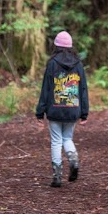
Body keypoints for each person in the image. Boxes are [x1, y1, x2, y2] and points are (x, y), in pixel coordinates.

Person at [35, 31, 89, 187]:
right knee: (67, 138)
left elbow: (46, 88)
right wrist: (84, 112)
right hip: (73, 109)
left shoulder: (52, 63)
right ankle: (73, 160)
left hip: (55, 109)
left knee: (56, 141)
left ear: (56, 46)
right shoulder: (78, 64)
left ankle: (57, 175)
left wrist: (40, 111)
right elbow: (83, 89)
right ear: (71, 46)